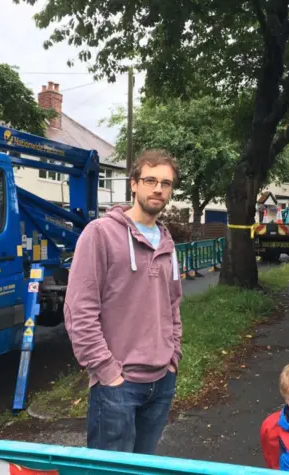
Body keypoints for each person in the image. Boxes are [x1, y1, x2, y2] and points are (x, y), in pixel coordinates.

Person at [64, 149, 183, 454]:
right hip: (118, 384)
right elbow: (79, 311)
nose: (158, 188)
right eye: (150, 180)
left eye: (166, 183)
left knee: (144, 467)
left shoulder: (167, 242)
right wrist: (107, 372)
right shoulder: (100, 234)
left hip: (161, 381)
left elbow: (173, 306)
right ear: (133, 184)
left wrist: (173, 358)